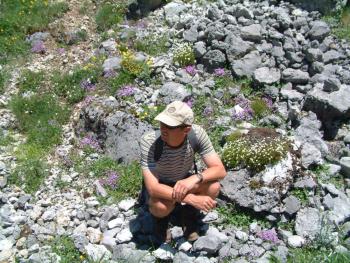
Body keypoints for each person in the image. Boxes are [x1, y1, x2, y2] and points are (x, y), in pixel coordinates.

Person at [140, 100, 227, 244]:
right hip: (161, 183)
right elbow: (153, 188)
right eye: (162, 123)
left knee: (214, 186)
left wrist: (194, 179)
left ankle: (189, 215)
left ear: (186, 129)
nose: (163, 129)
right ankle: (161, 221)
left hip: (184, 178)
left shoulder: (197, 134)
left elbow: (220, 170)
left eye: (170, 126)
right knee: (160, 206)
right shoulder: (149, 142)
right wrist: (191, 198)